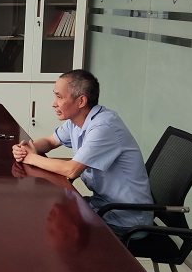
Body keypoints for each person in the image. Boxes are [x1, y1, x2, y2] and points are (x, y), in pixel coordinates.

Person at [12, 69, 153, 236]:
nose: (53, 103)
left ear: (81, 101)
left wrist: (31, 158)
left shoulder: (103, 127)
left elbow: (71, 170)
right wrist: (26, 148)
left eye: (59, 97)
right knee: (42, 217)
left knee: (53, 230)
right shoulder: (76, 121)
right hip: (103, 207)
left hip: (126, 220)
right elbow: (50, 141)